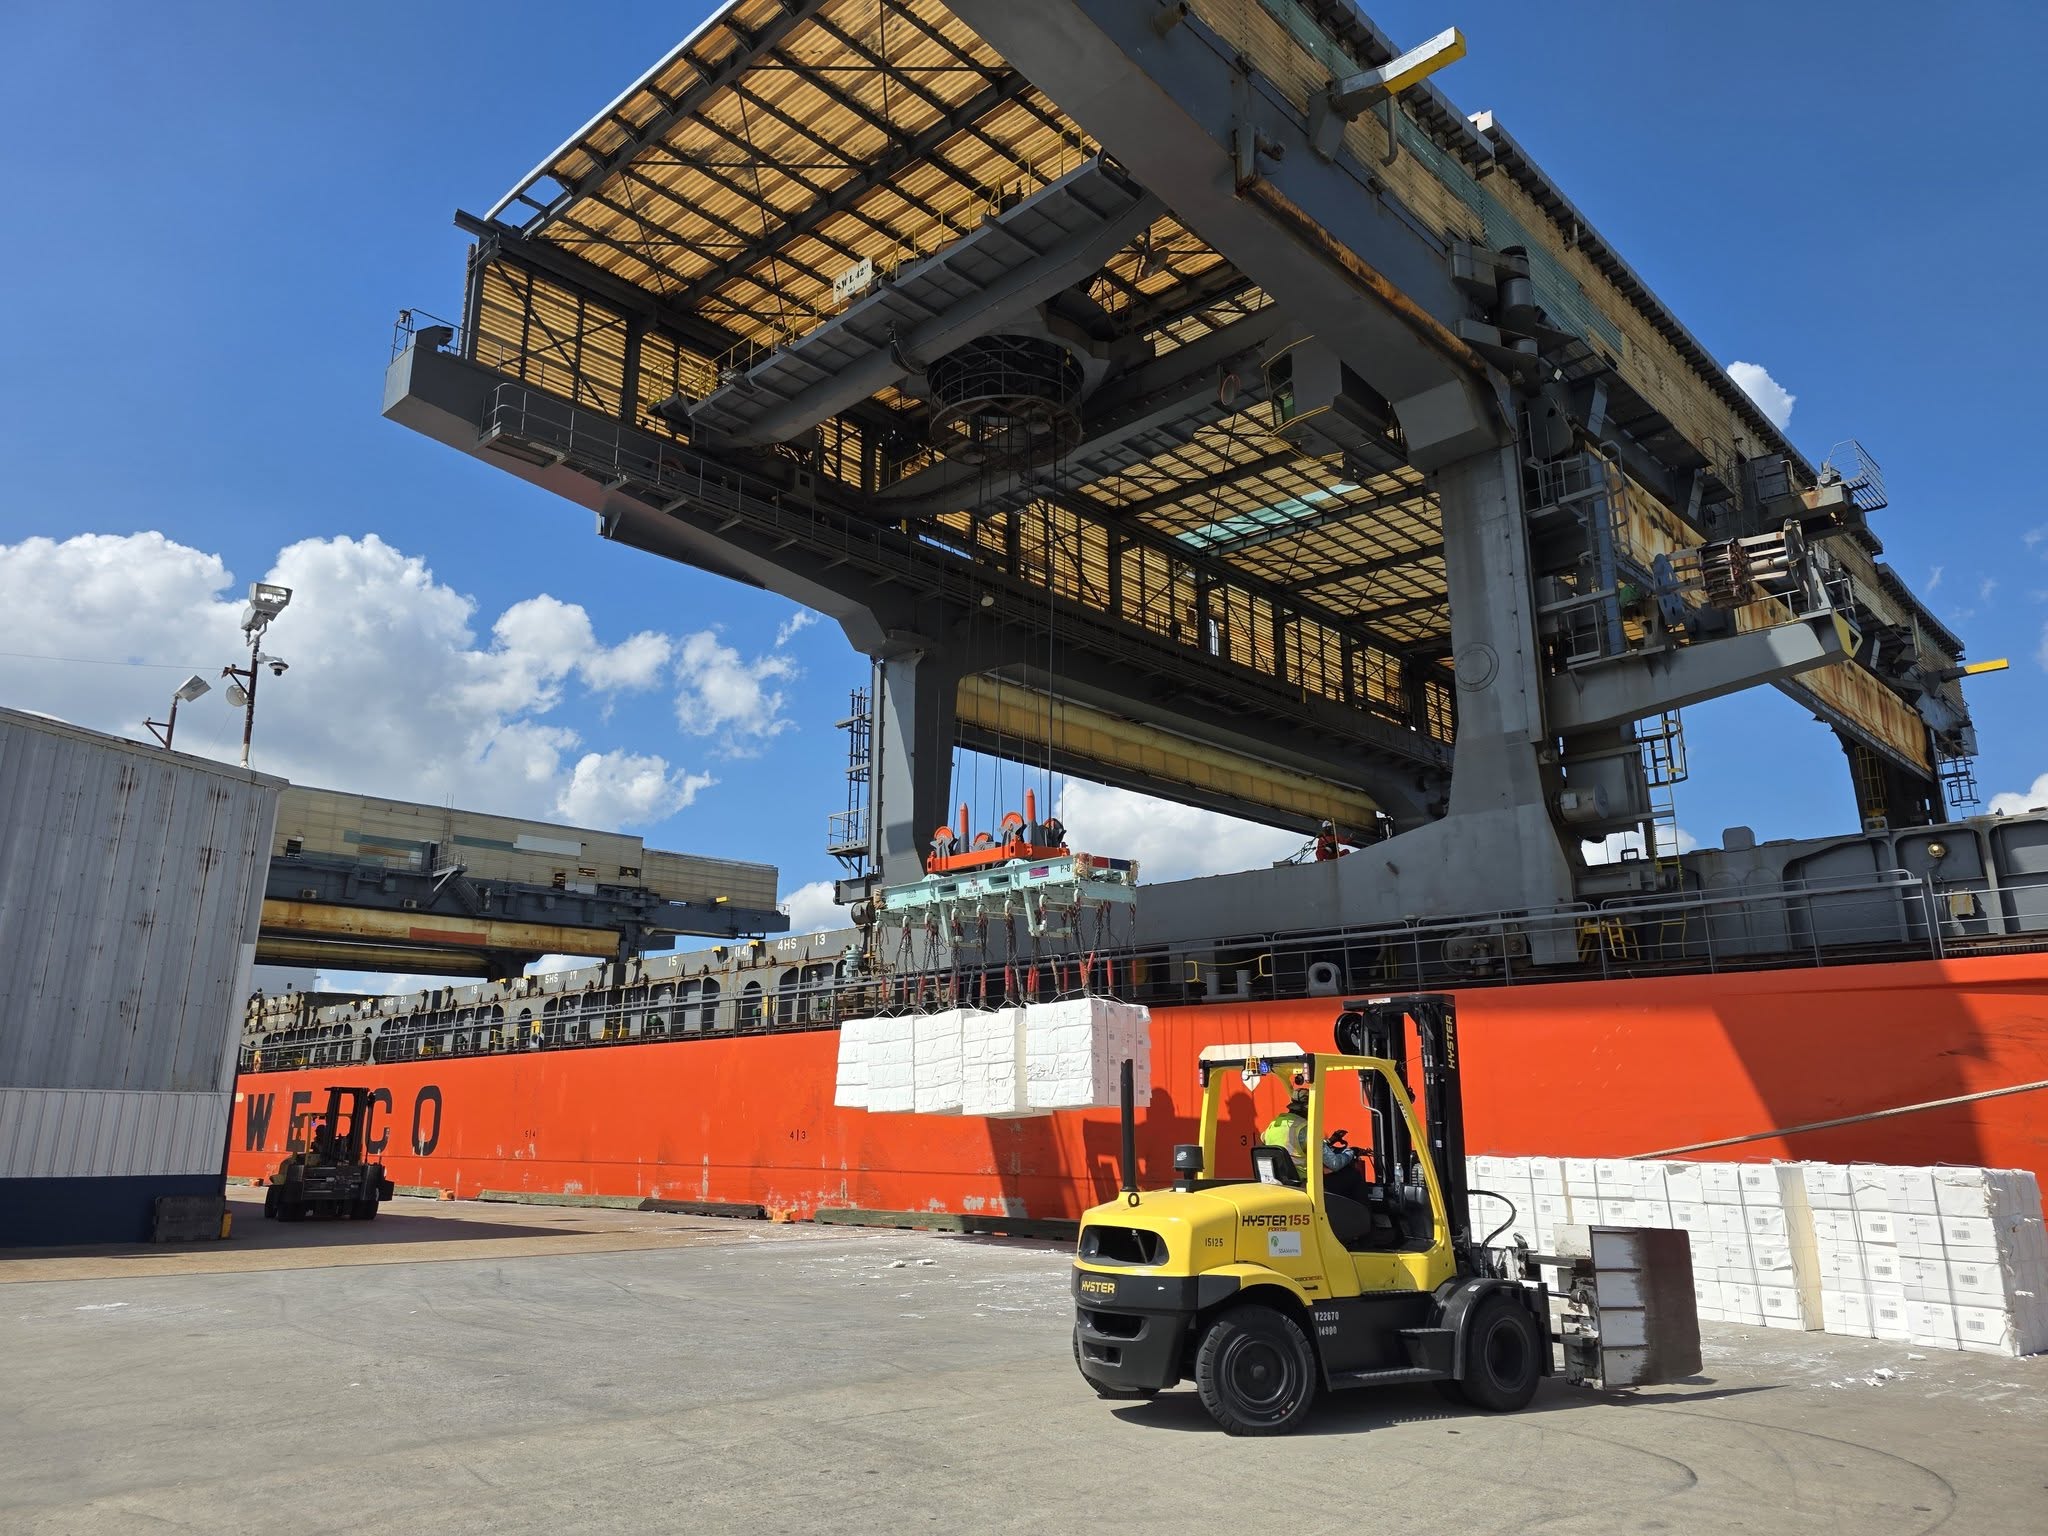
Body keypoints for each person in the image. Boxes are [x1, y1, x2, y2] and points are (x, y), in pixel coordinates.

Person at [1261, 1083, 1311, 1167]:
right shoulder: (1303, 1127)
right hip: (1300, 1173)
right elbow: (1329, 1159)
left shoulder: (1274, 1123)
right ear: (1307, 1108)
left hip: (1277, 1171)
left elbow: (1263, 1138)